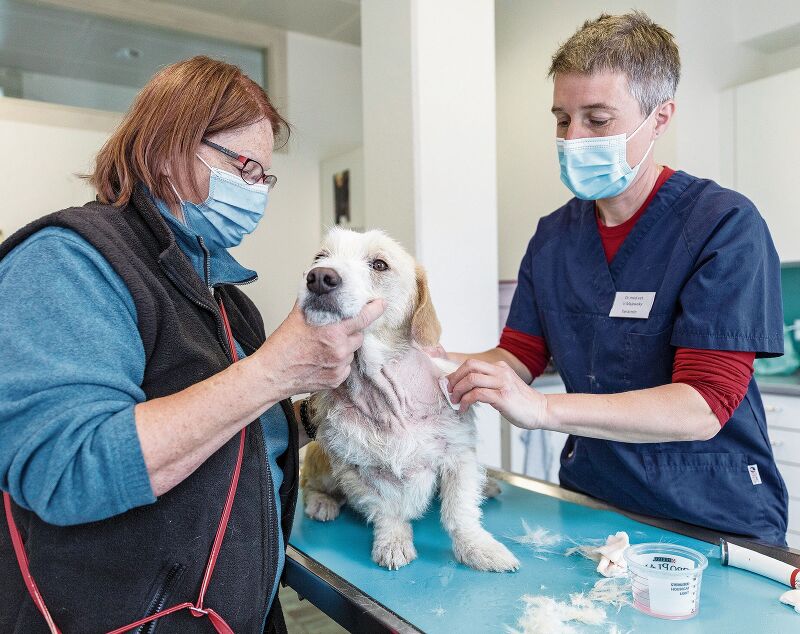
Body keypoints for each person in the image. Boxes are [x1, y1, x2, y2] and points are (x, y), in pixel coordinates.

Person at [0, 56, 383, 633]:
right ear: (163, 148)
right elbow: (68, 470)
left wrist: (353, 401)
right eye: (242, 167)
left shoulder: (229, 303)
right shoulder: (69, 260)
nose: (256, 190)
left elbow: (247, 437)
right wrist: (275, 371)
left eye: (264, 177)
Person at [445, 12, 789, 545]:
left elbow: (704, 404)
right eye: (562, 119)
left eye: (598, 119)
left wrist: (542, 410)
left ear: (660, 117)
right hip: (594, 501)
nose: (573, 138)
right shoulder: (554, 238)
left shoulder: (722, 225)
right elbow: (518, 357)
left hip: (710, 514)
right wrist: (423, 364)